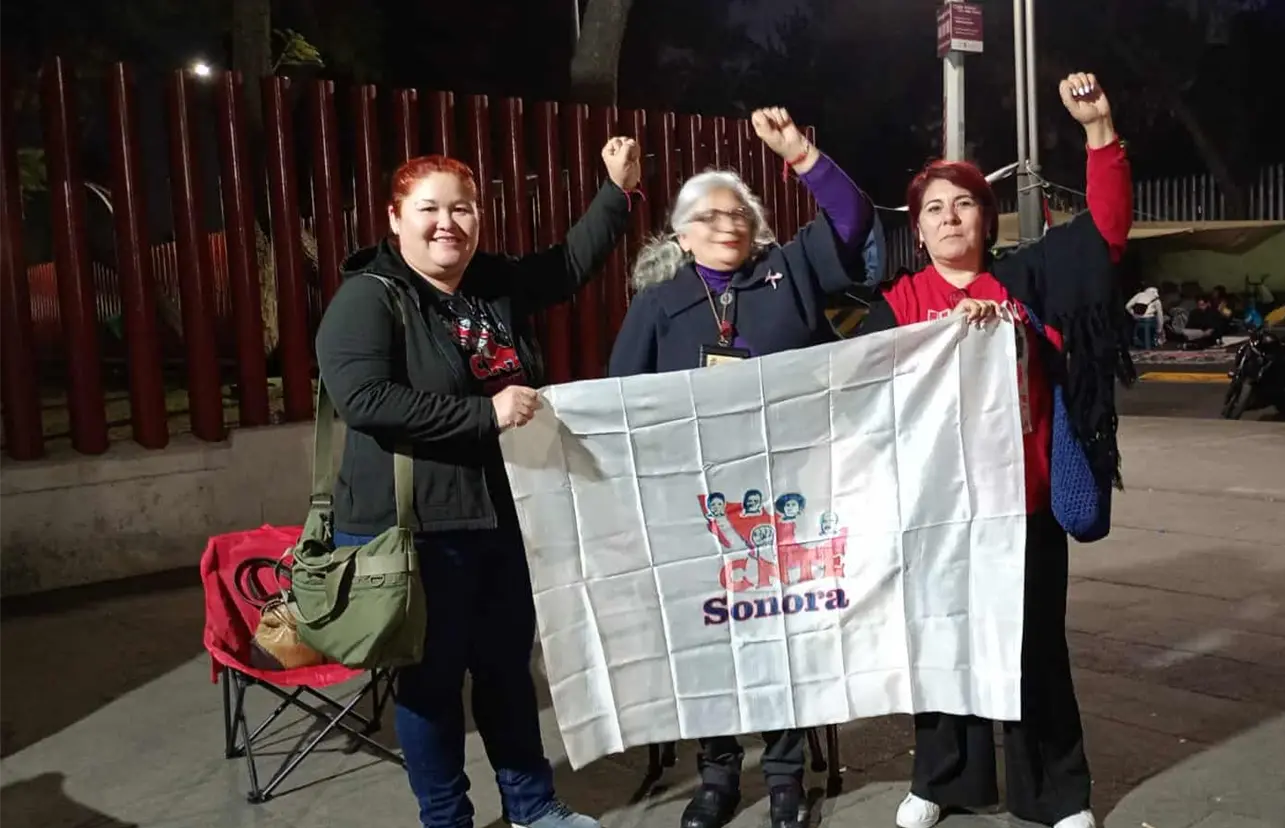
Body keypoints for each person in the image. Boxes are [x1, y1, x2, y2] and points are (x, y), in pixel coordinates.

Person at [314, 139, 642, 828]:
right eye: (428, 208)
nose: (447, 223)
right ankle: (447, 819)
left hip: (500, 515)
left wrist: (616, 190)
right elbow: (364, 398)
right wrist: (483, 413)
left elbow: (564, 268)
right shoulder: (368, 298)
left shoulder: (486, 288)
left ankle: (531, 807)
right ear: (395, 217)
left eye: (461, 209)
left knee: (504, 671)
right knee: (430, 686)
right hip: (414, 529)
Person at [855, 71, 1134, 828]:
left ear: (989, 216)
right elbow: (848, 396)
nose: (950, 218)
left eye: (965, 203)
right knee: (942, 646)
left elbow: (1106, 232)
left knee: (1035, 648)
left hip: (1026, 502)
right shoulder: (897, 306)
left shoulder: (1027, 279)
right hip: (937, 516)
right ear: (917, 230)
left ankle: (1054, 793)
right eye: (934, 209)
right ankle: (942, 779)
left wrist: (1098, 132)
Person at [608, 106, 874, 828]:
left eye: (738, 214)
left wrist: (797, 151)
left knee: (779, 631)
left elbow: (851, 219)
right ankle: (718, 774)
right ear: (682, 232)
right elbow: (621, 400)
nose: (726, 224)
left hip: (786, 498)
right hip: (695, 506)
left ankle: (785, 775)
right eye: (709, 215)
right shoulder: (660, 304)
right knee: (709, 636)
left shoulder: (788, 269)